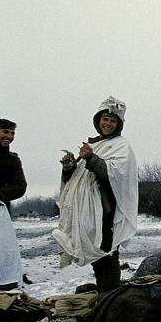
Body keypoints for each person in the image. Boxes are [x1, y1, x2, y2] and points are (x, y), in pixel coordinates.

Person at [52, 97, 138, 293]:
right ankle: (105, 295)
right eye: (105, 119)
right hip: (87, 210)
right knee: (98, 256)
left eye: (112, 121)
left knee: (106, 252)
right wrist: (69, 167)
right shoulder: (96, 144)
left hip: (105, 207)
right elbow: (78, 178)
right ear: (98, 120)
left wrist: (91, 158)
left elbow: (115, 174)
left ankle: (110, 297)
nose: (107, 124)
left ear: (118, 124)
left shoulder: (121, 146)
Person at [0, 119, 27, 290]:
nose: (8, 136)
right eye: (5, 132)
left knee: (3, 253)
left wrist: (0, 194)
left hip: (1, 213)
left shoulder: (12, 160)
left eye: (12, 133)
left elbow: (20, 186)